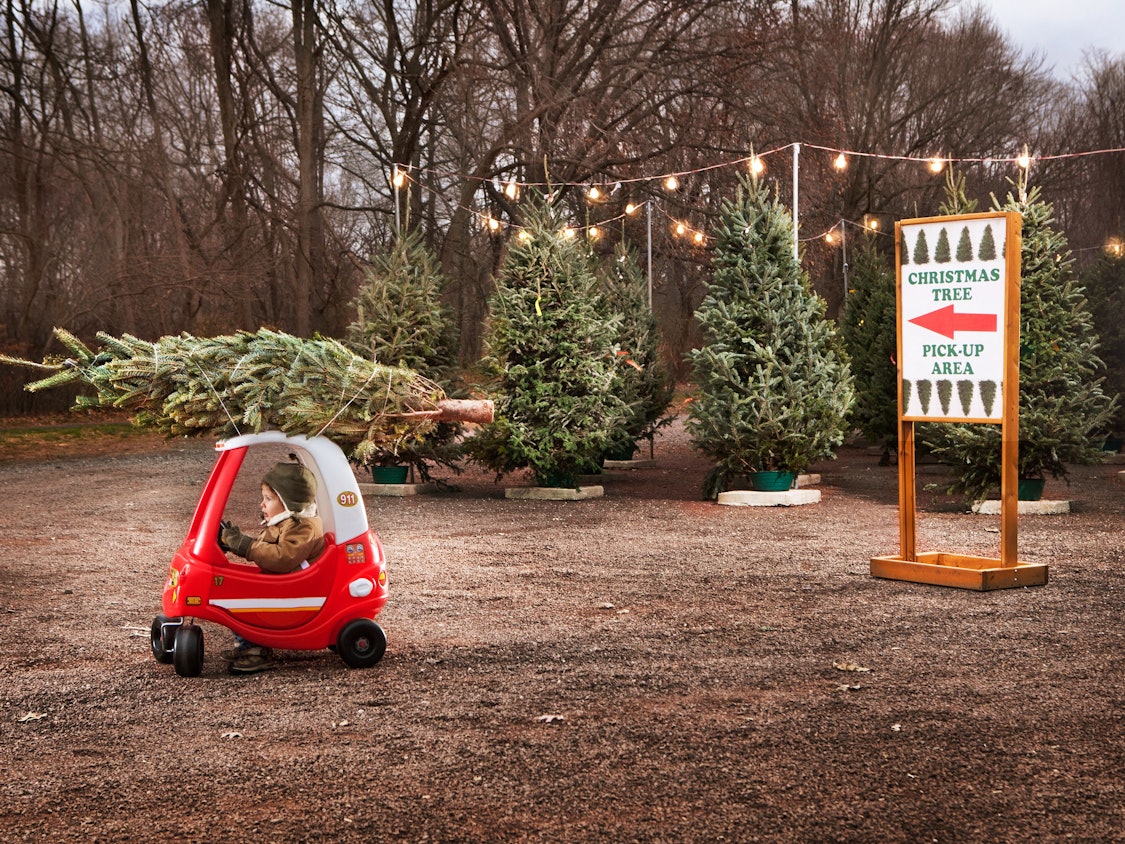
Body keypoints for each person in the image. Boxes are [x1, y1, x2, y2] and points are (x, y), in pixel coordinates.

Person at [218, 461, 326, 675]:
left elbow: (281, 558)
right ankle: (247, 645)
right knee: (233, 587)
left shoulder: (303, 527)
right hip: (284, 582)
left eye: (268, 499)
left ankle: (256, 651)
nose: (262, 504)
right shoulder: (289, 522)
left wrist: (245, 545)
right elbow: (268, 550)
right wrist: (237, 542)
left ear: (288, 502)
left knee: (242, 598)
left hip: (294, 590)